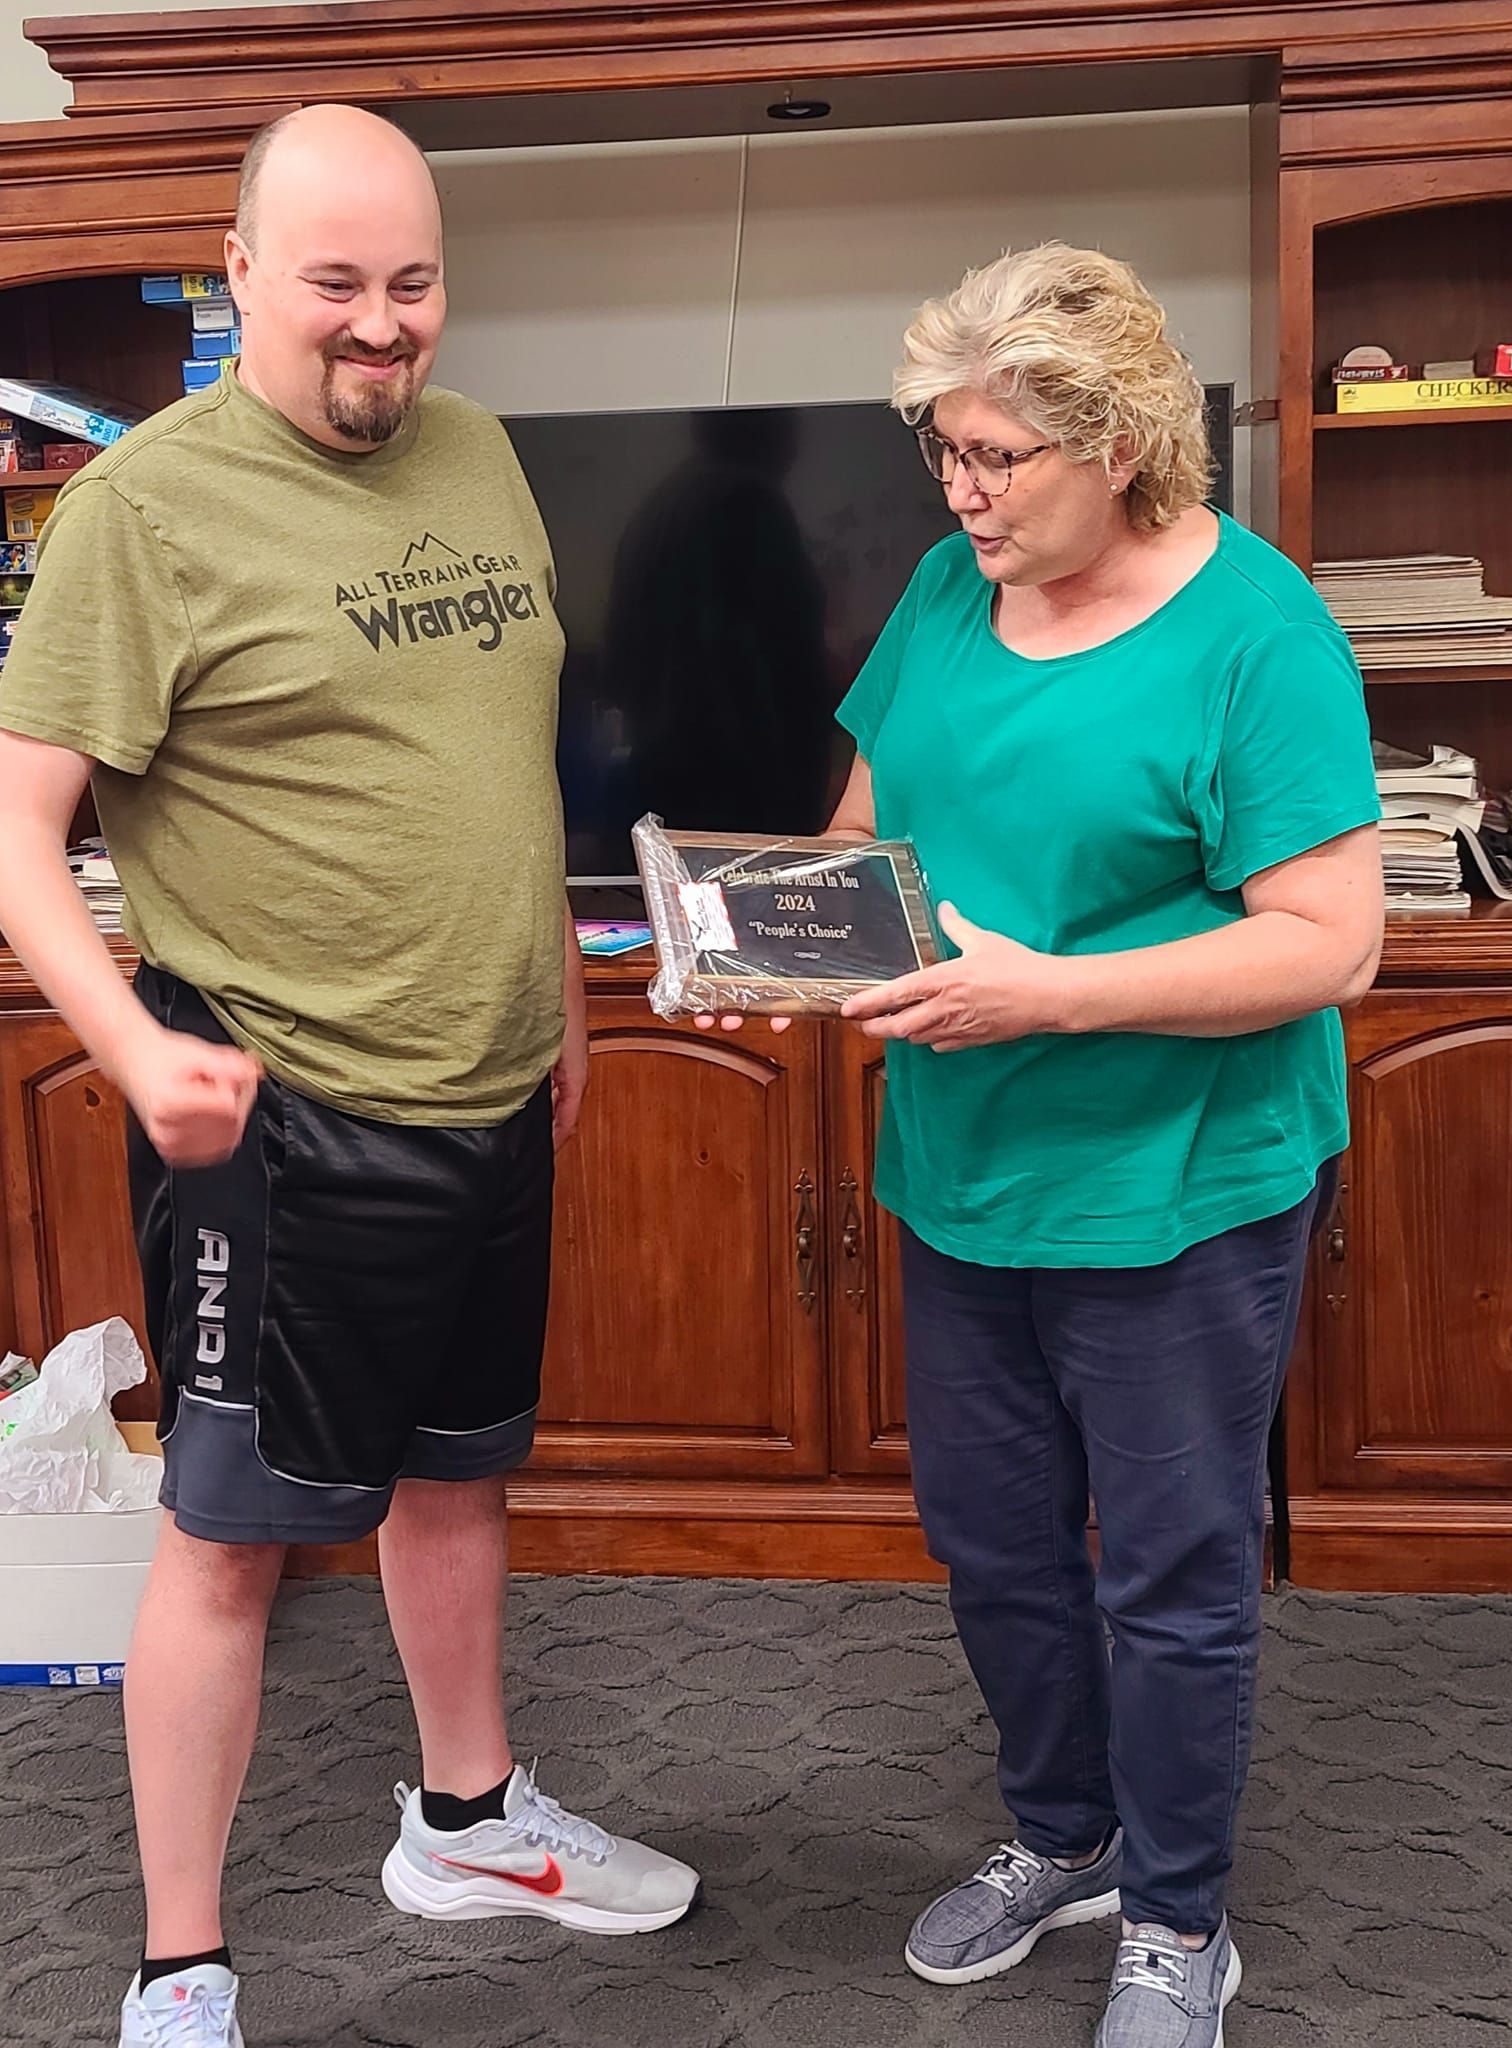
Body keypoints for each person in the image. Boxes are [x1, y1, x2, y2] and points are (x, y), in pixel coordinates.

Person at [0, 104, 697, 2048]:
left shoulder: (476, 450)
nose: (382, 325)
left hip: (489, 1087)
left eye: (414, 283)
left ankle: (468, 1821)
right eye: (334, 284)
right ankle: (180, 1966)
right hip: (278, 1119)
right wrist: (132, 1044)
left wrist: (555, 989)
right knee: (229, 1538)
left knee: (457, 1474)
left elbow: (498, 752)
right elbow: (17, 823)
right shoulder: (143, 512)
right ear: (238, 278)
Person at [712, 242, 1382, 2046]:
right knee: (995, 1544)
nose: (959, 491)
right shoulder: (950, 589)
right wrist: (753, 945)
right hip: (964, 1172)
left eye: (996, 457)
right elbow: (864, 839)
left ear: (1121, 444)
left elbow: (1331, 944)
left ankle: (1176, 1920)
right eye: (944, 450)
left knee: (1167, 1571)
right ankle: (1066, 1834)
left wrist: (1050, 996)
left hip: (1177, 1188)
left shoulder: (1255, 631)